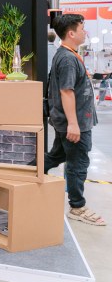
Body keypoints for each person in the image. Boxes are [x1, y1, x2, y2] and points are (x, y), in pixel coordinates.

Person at [44, 14, 105, 225]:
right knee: (78, 163)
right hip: (74, 123)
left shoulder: (67, 55)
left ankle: (27, 174)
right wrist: (73, 124)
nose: (85, 32)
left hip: (72, 121)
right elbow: (66, 91)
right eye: (82, 29)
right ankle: (77, 206)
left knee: (56, 156)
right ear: (71, 33)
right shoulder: (68, 59)